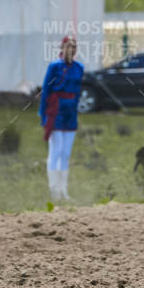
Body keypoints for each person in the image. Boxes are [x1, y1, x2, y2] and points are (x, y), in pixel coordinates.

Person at [40, 35, 84, 201]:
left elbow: (78, 91)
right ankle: (54, 191)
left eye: (73, 47)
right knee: (56, 151)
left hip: (70, 112)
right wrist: (43, 115)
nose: (70, 50)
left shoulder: (79, 67)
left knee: (66, 153)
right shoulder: (55, 66)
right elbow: (46, 90)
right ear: (62, 48)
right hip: (56, 109)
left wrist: (76, 110)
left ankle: (64, 191)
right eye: (68, 46)